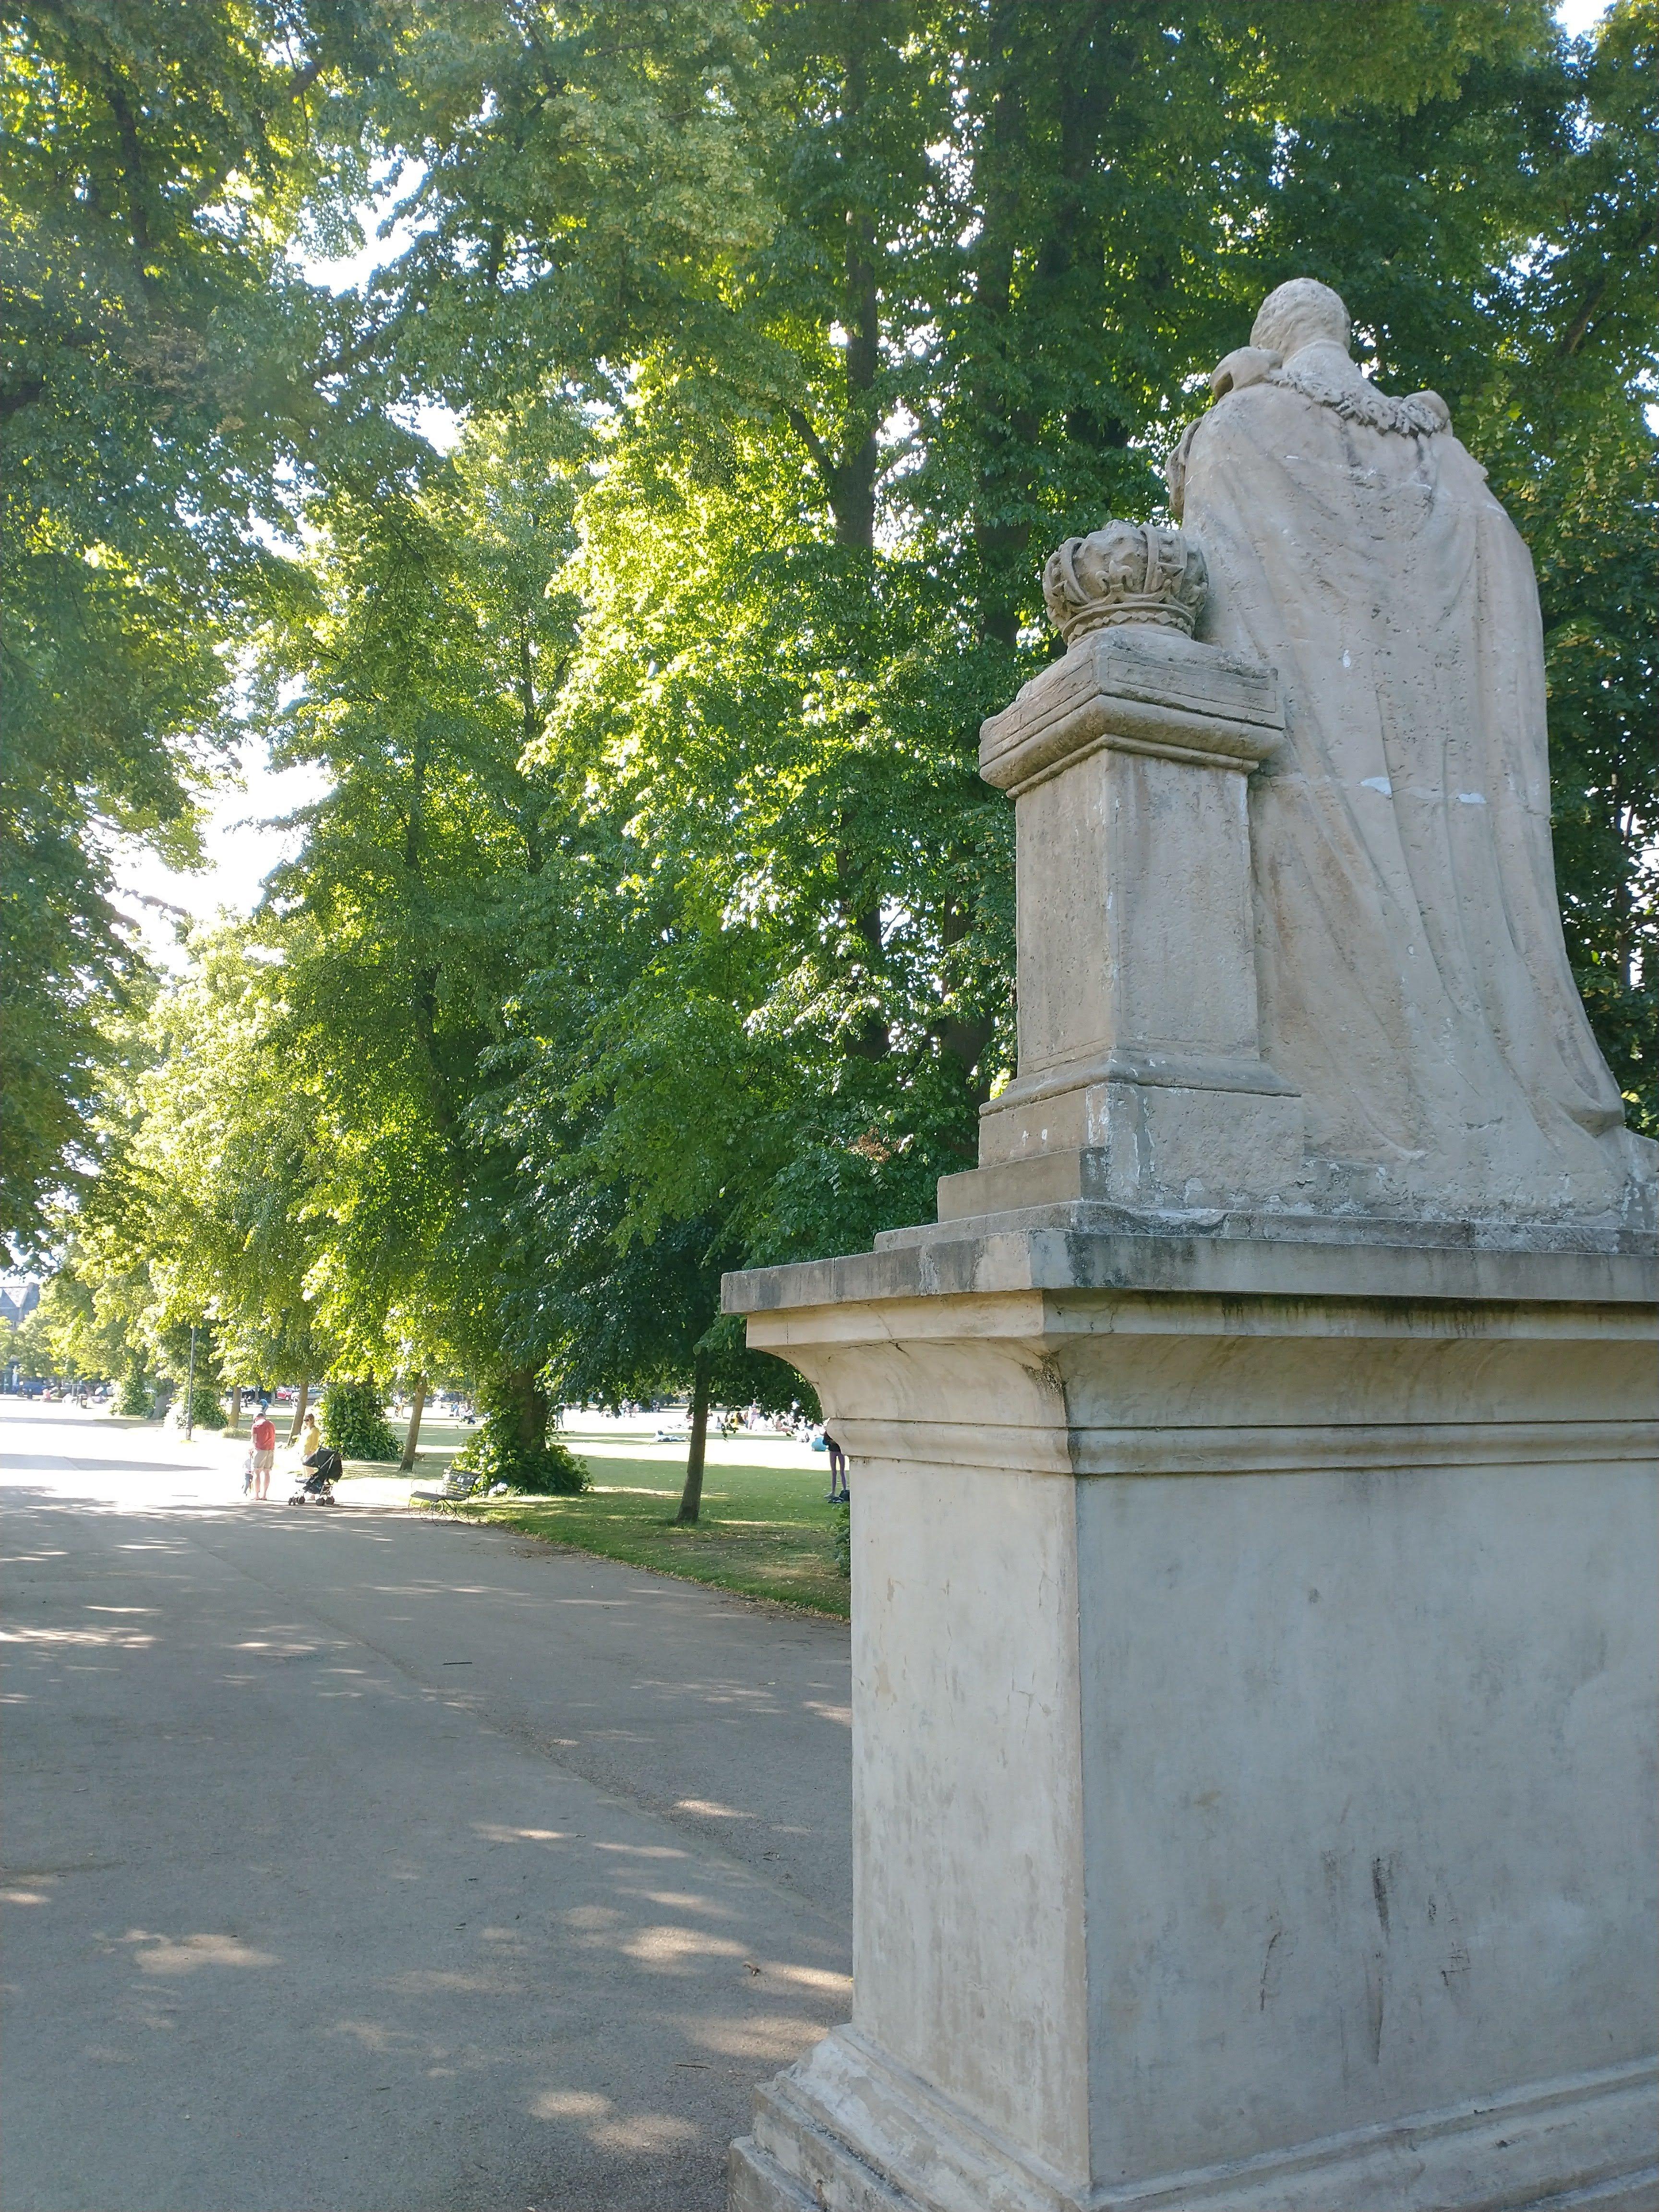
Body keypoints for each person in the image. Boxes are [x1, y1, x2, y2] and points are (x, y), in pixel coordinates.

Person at [249, 1406, 277, 1501]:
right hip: (271, 1450)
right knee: (267, 1472)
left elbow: (254, 1441)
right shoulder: (272, 1424)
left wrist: (251, 1450)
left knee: (257, 1471)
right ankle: (265, 1495)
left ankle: (257, 1496)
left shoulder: (256, 1425)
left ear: (256, 1418)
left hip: (261, 1450)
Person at [824, 1427, 847, 1503]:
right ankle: (833, 1492)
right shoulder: (829, 1432)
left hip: (840, 1452)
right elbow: (825, 1442)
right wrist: (831, 1441)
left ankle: (845, 1490)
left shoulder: (840, 1431)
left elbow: (844, 1441)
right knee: (834, 1472)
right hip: (833, 1451)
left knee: (842, 1471)